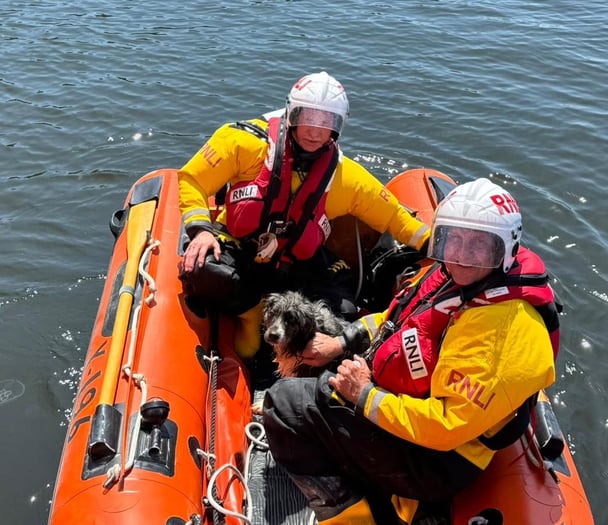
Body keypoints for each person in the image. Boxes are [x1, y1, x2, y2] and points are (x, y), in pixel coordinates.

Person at [261, 177, 560, 524]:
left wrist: (364, 396)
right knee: (322, 381)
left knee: (284, 404)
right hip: (409, 406)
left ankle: (357, 516)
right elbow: (394, 320)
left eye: (479, 246)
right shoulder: (457, 277)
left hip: (438, 458)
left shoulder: (502, 331)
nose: (462, 255)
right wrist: (340, 343)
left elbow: (445, 426)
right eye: (453, 241)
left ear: (505, 249)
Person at [178, 71, 430, 360]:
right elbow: (192, 179)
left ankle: (302, 363)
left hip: (294, 262)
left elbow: (395, 217)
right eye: (307, 117)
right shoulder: (244, 144)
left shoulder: (345, 178)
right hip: (239, 244)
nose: (314, 130)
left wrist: (441, 245)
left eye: (326, 122)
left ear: (338, 127)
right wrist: (201, 230)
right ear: (291, 114)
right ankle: (251, 313)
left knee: (343, 311)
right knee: (201, 270)